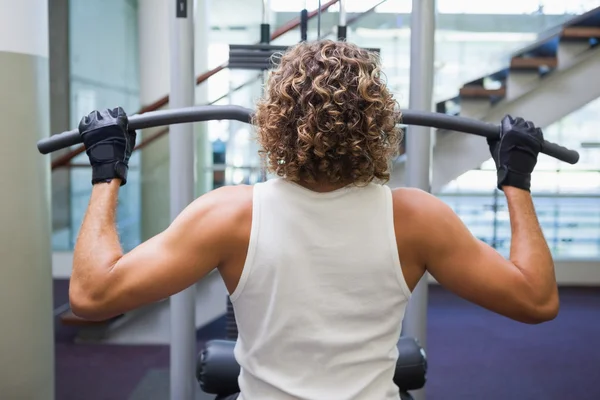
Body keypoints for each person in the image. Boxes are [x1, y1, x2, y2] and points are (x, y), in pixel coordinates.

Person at [70, 40, 559, 400]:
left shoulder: (230, 214)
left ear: (274, 121)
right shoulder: (418, 218)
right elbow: (536, 300)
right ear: (379, 123)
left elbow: (92, 296)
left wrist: (107, 170)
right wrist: (515, 179)